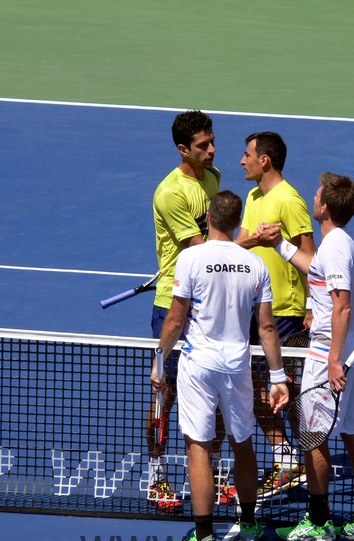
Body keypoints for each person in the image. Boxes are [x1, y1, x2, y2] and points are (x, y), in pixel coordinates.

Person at [152, 190, 290, 541]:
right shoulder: (256, 265)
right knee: (242, 443)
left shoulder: (190, 259)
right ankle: (248, 523)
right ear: (238, 220)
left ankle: (202, 537)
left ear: (209, 217)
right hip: (236, 366)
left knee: (198, 446)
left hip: (198, 366)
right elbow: (266, 329)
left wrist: (159, 359)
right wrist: (278, 376)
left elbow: (176, 319)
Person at [271, 172, 354, 541]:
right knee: (353, 433)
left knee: (312, 435)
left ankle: (319, 521)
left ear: (323, 207)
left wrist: (333, 359)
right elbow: (316, 272)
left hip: (330, 353)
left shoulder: (334, 245)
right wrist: (281, 247)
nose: (313, 195)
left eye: (316, 193)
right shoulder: (343, 241)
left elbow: (342, 307)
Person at [149, 109, 231, 511]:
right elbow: (202, 249)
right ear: (183, 149)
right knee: (165, 395)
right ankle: (157, 476)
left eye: (212, 141)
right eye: (203, 146)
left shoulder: (213, 179)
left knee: (213, 394)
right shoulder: (170, 192)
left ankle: (211, 476)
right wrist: (245, 248)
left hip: (207, 303)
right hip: (173, 303)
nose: (213, 150)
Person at [236, 132, 315, 499]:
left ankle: (311, 459)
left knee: (289, 393)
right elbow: (241, 245)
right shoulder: (252, 198)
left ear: (264, 160)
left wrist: (313, 305)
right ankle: (286, 459)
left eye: (248, 155)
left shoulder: (290, 199)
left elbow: (312, 258)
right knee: (252, 390)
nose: (242, 161)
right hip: (251, 309)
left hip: (284, 312)